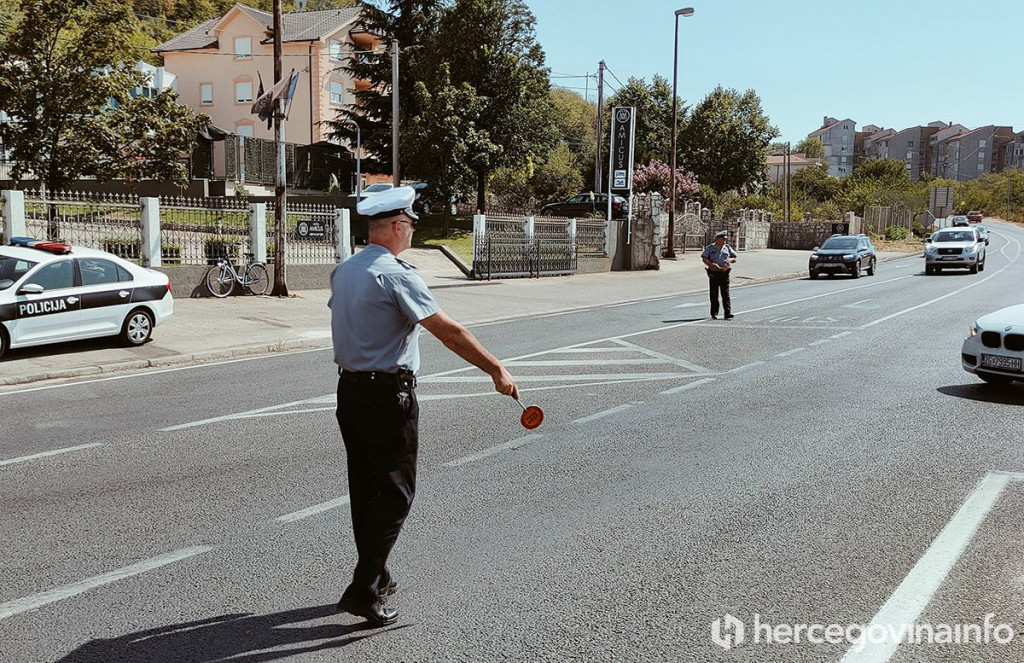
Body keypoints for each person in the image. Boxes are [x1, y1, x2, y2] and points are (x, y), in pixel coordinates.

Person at [328, 186, 519, 627]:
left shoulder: (345, 270)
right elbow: (447, 330)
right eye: (411, 224)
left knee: (367, 489)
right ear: (396, 226)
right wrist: (496, 368)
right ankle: (363, 588)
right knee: (396, 494)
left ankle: (377, 573)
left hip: (350, 392)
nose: (412, 231)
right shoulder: (397, 275)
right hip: (387, 397)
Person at [701, 230, 737, 320]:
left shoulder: (727, 248)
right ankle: (714, 313)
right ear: (717, 239)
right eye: (723, 239)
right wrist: (711, 265)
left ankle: (727, 313)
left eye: (725, 239)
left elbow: (734, 257)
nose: (724, 240)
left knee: (725, 293)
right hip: (714, 273)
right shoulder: (711, 248)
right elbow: (704, 258)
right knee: (714, 294)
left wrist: (730, 261)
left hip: (724, 273)